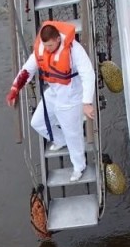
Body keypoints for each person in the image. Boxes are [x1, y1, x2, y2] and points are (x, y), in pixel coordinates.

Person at [6, 21, 96, 182]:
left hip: (71, 97)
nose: (46, 49)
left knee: (73, 134)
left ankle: (79, 166)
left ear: (57, 39)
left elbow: (88, 74)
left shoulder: (74, 50)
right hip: (53, 94)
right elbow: (28, 70)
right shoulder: (42, 48)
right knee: (37, 122)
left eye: (49, 45)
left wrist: (86, 102)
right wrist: (15, 89)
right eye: (44, 45)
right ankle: (60, 140)